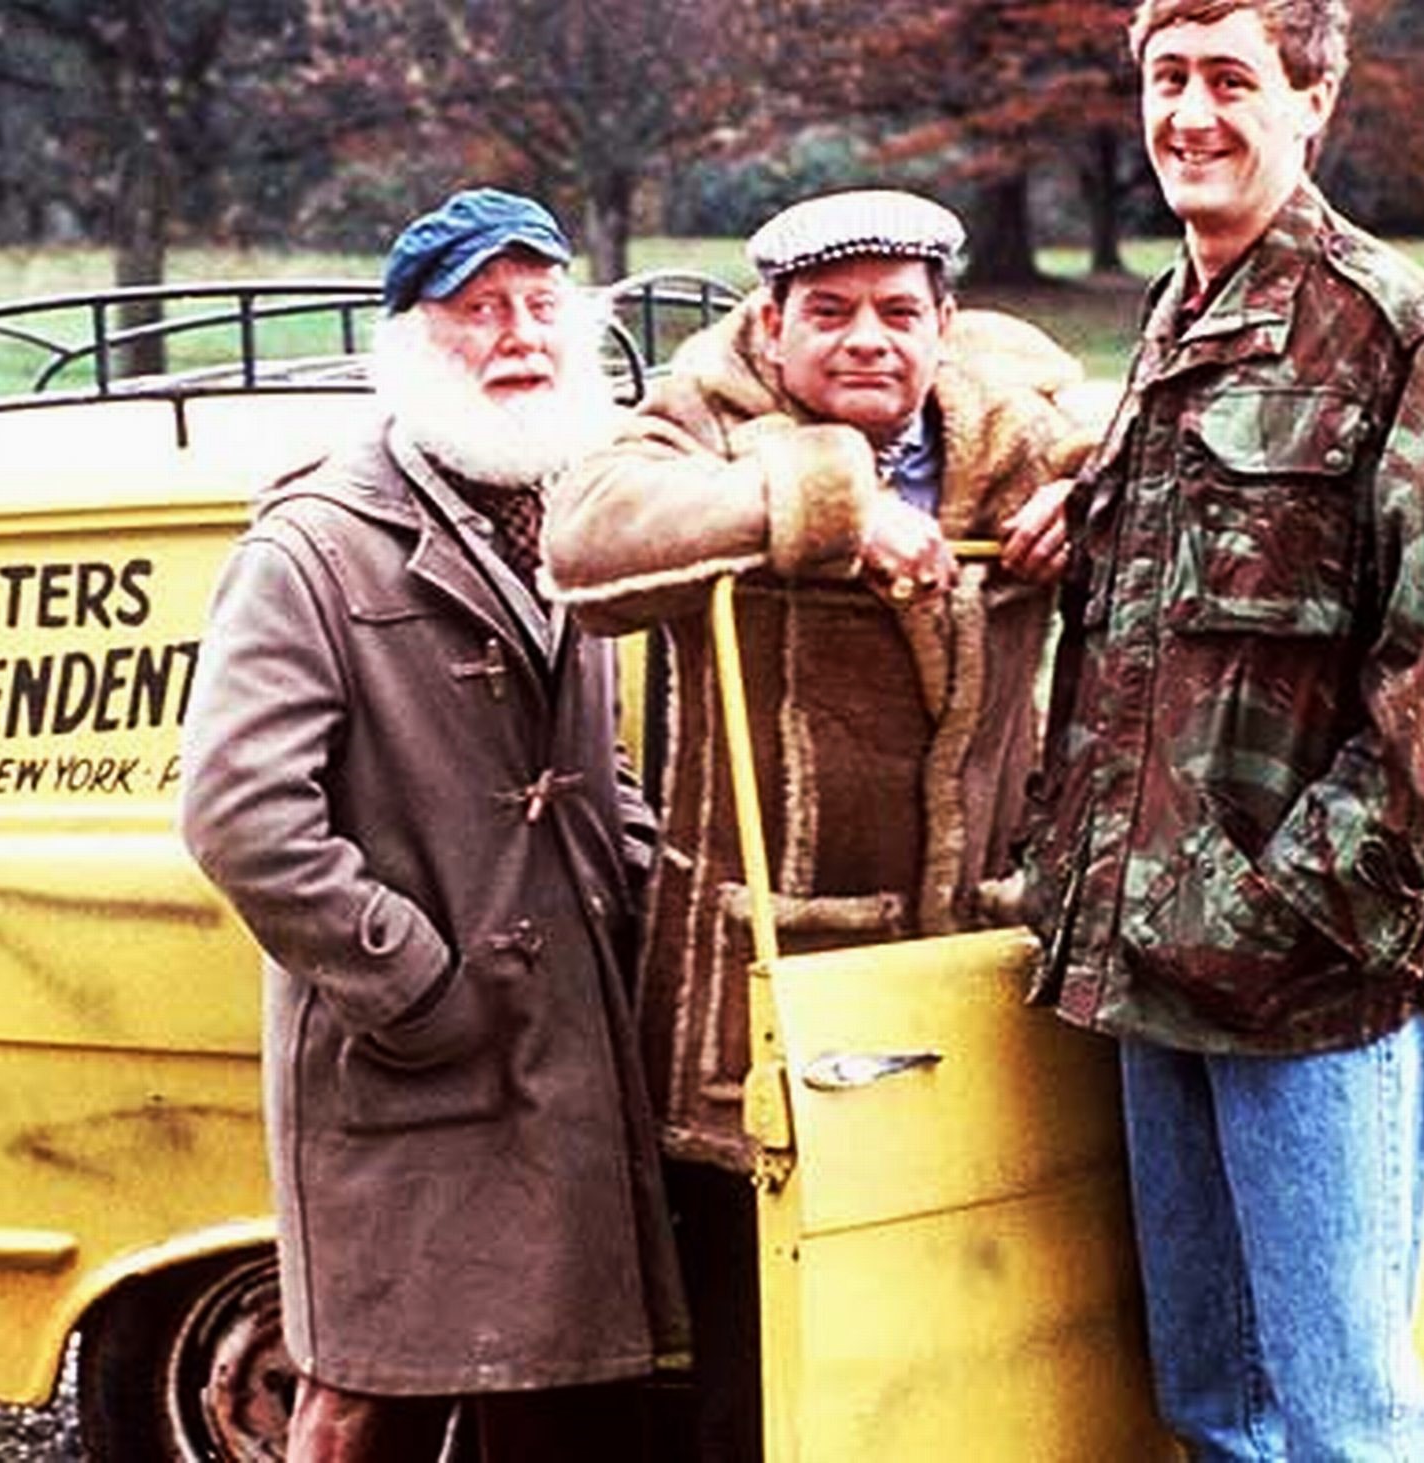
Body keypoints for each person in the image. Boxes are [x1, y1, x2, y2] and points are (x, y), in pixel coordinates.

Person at [1016, 4, 1424, 1459]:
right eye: (1166, 77)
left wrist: (1285, 912)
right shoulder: (1173, 318)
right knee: (1215, 1409)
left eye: (1230, 80)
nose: (1189, 114)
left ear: (1313, 100)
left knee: (1344, 1419)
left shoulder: (1391, 327)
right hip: (1151, 968)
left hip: (1307, 988)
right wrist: (1082, 511)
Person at [541, 188, 1108, 1460]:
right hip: (764, 1002)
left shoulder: (1010, 427)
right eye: (830, 312)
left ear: (944, 326)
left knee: (956, 1348)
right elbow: (584, 543)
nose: (867, 339)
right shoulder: (706, 418)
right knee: (764, 1361)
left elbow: (1148, 450)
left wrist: (1093, 498)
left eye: (899, 313)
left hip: (968, 983)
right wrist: (824, 503)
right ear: (771, 325)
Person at [178, 187, 687, 1463]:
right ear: (411, 342)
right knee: (369, 1403)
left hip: (565, 1053)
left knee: (560, 1394)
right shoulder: (311, 547)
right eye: (478, 309)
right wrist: (414, 983)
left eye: (540, 304)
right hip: (411, 1063)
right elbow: (241, 814)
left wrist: (642, 890)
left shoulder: (570, 512)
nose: (519, 335)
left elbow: (594, 759)